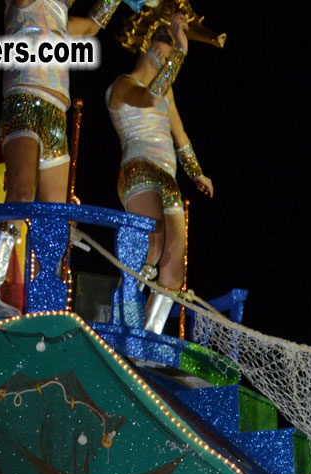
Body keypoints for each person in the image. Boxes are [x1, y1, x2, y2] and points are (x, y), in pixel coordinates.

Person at [0, 0, 135, 316]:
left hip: (56, 114)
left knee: (54, 214)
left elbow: (92, 27)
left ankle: (45, 300)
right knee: (21, 193)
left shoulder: (60, 18)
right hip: (24, 100)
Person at [106, 10, 212, 334]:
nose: (168, 50)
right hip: (139, 171)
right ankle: (122, 320)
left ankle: (147, 336)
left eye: (171, 45)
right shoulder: (124, 84)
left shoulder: (168, 93)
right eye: (165, 42)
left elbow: (179, 135)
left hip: (168, 178)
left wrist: (196, 172)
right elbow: (149, 97)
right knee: (153, 242)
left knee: (174, 270)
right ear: (147, 45)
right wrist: (181, 53)